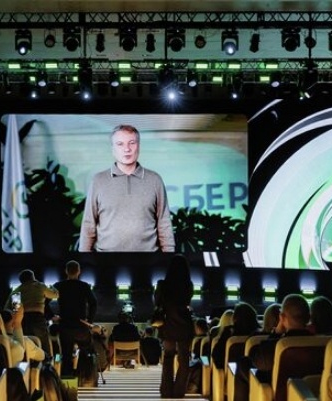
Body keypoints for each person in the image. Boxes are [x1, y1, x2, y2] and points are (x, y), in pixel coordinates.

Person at [78, 124, 175, 252]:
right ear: (112, 149)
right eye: (120, 144)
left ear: (138, 146)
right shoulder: (98, 181)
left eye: (132, 143)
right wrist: (84, 257)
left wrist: (169, 256)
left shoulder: (155, 180)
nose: (127, 149)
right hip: (106, 259)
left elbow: (164, 223)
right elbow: (88, 224)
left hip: (148, 258)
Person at [154, 254, 195, 398]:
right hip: (184, 325)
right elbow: (187, 302)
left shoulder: (162, 285)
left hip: (168, 325)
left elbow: (157, 302)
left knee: (168, 357)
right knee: (184, 359)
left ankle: (166, 391)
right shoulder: (188, 285)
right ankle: (179, 391)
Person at [52, 259, 98, 376]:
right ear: (79, 271)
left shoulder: (58, 286)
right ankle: (85, 376)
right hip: (81, 325)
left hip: (65, 325)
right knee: (85, 351)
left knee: (66, 355)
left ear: (66, 271)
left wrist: (52, 316)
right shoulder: (84, 286)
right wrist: (89, 320)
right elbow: (93, 303)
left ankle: (68, 379)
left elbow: (45, 302)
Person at [6, 269, 58, 356]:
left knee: (28, 343)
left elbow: (12, 309)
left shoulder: (16, 291)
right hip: (38, 318)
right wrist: (53, 288)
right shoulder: (40, 286)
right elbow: (55, 295)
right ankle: (47, 360)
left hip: (23, 320)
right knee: (44, 343)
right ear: (33, 277)